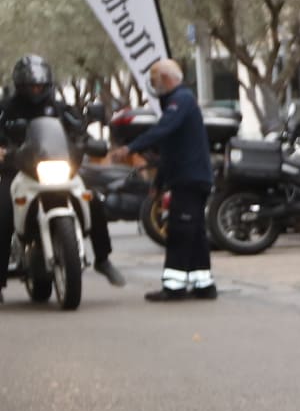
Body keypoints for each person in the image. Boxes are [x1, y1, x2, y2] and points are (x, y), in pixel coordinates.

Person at [0, 56, 123, 287]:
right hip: (17, 168)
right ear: (20, 86)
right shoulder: (6, 109)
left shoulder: (59, 108)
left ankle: (103, 258)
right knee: (3, 211)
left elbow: (78, 130)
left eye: (40, 86)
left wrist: (88, 142)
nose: (36, 90)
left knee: (94, 200)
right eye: (31, 86)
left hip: (58, 166)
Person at [130, 58, 213, 301]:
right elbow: (168, 151)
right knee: (195, 233)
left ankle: (174, 287)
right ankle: (203, 284)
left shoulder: (181, 100)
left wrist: (132, 147)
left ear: (166, 79)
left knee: (179, 231)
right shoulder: (178, 103)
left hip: (190, 179)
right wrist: (157, 185)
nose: (155, 87)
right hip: (188, 179)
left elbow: (162, 131)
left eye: (156, 81)